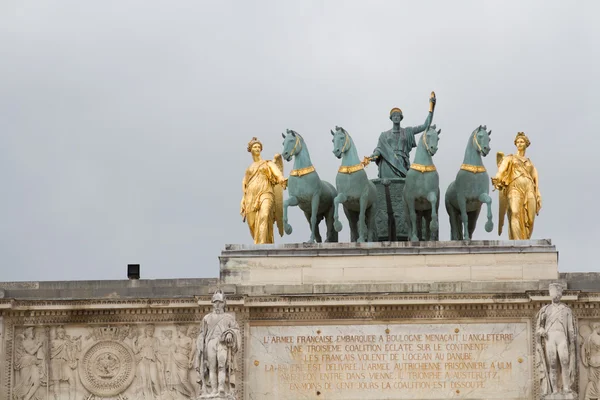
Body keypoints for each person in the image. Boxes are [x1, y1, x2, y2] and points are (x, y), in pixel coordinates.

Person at [365, 92, 436, 178]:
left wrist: (432, 108)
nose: (396, 117)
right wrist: (374, 155)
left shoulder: (408, 131)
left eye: (398, 116)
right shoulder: (384, 135)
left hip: (403, 163)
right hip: (388, 163)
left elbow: (425, 125)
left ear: (401, 118)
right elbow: (380, 149)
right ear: (391, 118)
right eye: (394, 116)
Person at [492, 132, 542, 239]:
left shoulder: (530, 163)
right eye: (518, 142)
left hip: (529, 189)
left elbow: (535, 180)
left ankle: (526, 240)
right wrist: (497, 178)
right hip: (514, 188)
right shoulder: (510, 158)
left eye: (522, 142)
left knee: (531, 219)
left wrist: (538, 193)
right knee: (514, 212)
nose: (519, 144)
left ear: (526, 144)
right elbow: (501, 170)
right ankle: (518, 243)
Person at [240, 137, 287, 244]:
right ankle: (261, 243)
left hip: (266, 192)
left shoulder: (268, 163)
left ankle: (261, 247)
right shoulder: (249, 169)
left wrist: (282, 180)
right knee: (252, 224)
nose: (257, 148)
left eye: (259, 147)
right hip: (250, 197)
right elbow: (245, 186)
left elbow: (277, 174)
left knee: (265, 215)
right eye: (255, 147)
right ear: (250, 149)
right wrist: (243, 200)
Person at [196, 290, 240, 396]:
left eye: (219, 302)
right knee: (212, 367)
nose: (217, 304)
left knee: (221, 365)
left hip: (222, 343)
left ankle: (221, 388)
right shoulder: (207, 318)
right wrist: (200, 342)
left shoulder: (229, 318)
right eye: (215, 302)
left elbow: (236, 330)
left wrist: (230, 334)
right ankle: (214, 389)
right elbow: (202, 333)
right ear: (212, 303)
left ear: (224, 303)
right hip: (210, 343)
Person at [535, 284, 577, 396]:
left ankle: (566, 387)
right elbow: (539, 327)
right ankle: (554, 390)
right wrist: (541, 330)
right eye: (553, 293)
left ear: (560, 295)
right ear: (550, 294)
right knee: (552, 364)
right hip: (550, 337)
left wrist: (572, 343)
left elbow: (570, 328)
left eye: (557, 293)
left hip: (562, 337)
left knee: (565, 361)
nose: (555, 295)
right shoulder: (545, 310)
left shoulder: (566, 310)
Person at [582, 322, 600, 400]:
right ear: (596, 328)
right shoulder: (598, 338)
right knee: (596, 380)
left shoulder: (588, 338)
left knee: (593, 380)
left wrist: (584, 360)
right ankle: (595, 395)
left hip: (592, 362)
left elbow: (583, 349)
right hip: (598, 361)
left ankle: (588, 396)